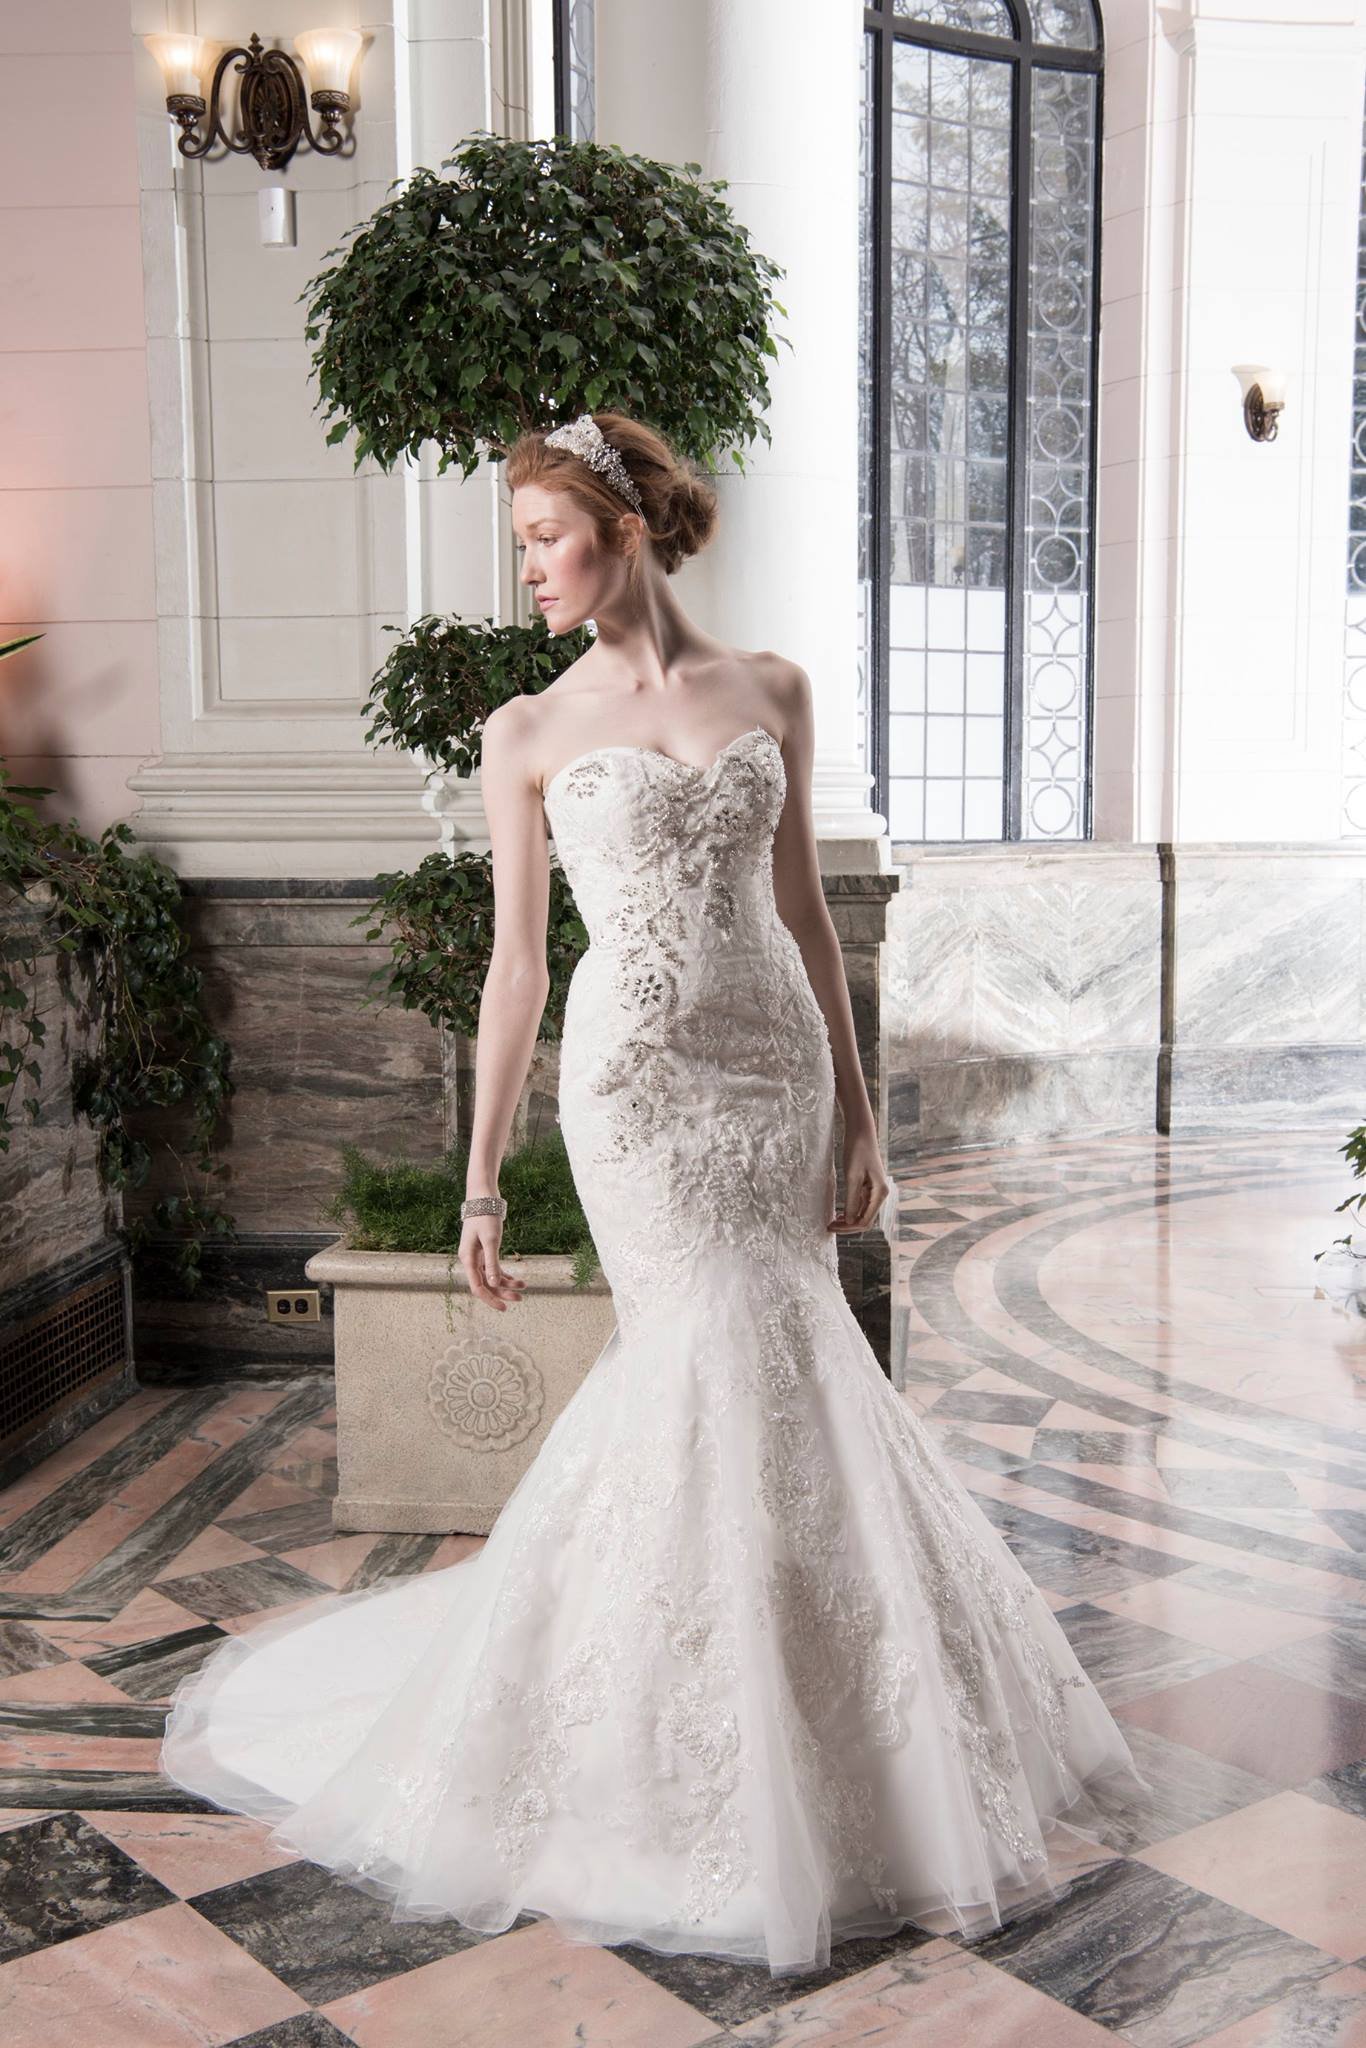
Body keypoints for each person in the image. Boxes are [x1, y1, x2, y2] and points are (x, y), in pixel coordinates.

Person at [161, 410, 1151, 1980]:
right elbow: (512, 965)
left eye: (546, 539)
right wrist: (479, 1182)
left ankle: (847, 1718)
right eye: (523, 548)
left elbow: (807, 919)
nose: (532, 574)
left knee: (789, 1356)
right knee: (700, 1360)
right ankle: (667, 1739)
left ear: (622, 528)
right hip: (631, 1092)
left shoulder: (772, 689)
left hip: (769, 1072)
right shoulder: (523, 731)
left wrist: (859, 1105)